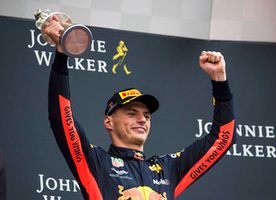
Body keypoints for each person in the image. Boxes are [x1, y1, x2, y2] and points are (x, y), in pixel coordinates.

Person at [46, 15, 236, 200]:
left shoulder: (167, 169)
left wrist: (220, 80)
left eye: (147, 115)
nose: (142, 119)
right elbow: (61, 120)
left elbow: (222, 139)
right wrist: (62, 54)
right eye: (131, 113)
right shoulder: (96, 163)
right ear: (108, 122)